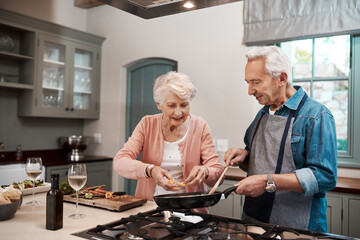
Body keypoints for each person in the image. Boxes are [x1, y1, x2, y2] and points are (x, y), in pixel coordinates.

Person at [224, 46, 337, 232]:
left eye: (256, 82)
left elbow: (325, 176)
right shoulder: (262, 114)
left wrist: (267, 182)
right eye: (248, 83)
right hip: (254, 221)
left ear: (282, 79)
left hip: (297, 226)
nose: (250, 91)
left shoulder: (317, 115)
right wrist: (244, 155)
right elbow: (261, 157)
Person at [114, 71, 223, 213]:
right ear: (159, 104)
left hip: (191, 212)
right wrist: (150, 170)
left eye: (184, 105)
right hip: (150, 210)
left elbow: (218, 174)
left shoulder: (200, 126)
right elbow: (120, 161)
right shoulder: (147, 124)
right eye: (171, 105)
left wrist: (206, 171)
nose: (178, 112)